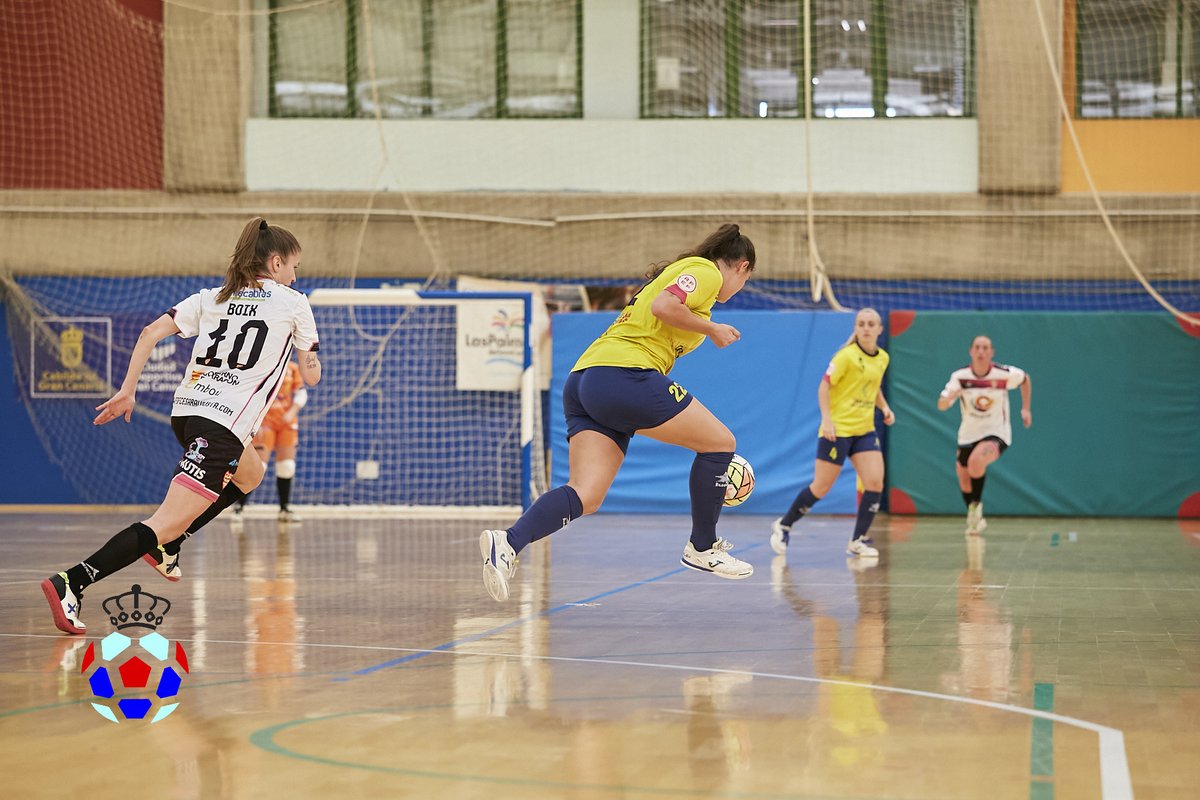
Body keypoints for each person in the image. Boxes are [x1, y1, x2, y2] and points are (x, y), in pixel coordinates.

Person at [40, 217, 321, 634]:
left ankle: (171, 543)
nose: (296, 274)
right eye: (294, 265)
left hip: (187, 412)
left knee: (252, 472)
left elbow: (151, 332)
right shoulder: (293, 302)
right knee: (163, 521)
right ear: (276, 263)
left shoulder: (211, 297)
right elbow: (311, 375)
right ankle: (73, 581)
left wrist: (128, 390)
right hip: (222, 425)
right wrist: (310, 359)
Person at [479, 223, 757, 602]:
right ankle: (703, 547)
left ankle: (507, 542)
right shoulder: (705, 271)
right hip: (624, 374)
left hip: (585, 380)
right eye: (746, 279)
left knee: (586, 495)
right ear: (741, 267)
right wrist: (712, 329)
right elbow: (665, 307)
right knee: (719, 443)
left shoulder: (679, 276)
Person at [770, 308, 895, 560]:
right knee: (821, 486)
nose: (867, 328)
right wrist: (827, 420)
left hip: (864, 430)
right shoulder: (846, 357)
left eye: (871, 324)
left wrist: (884, 407)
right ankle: (784, 525)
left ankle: (856, 540)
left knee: (875, 482)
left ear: (880, 329)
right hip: (837, 431)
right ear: (856, 328)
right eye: (862, 324)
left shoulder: (882, 357)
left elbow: (873, 387)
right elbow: (824, 386)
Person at [936, 335, 1031, 535]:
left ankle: (976, 507)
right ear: (971, 351)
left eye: (985, 348)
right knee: (964, 478)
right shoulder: (960, 377)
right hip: (968, 435)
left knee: (976, 462)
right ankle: (974, 515)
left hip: (997, 432)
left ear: (991, 352)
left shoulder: (1003, 374)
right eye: (977, 347)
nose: (981, 351)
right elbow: (941, 405)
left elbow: (1025, 379)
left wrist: (1026, 409)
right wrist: (948, 398)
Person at [233, 358, 307, 521]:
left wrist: (292, 412)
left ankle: (284, 510)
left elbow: (301, 392)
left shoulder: (292, 368)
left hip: (286, 423)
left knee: (287, 466)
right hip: (265, 422)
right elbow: (250, 394)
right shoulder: (261, 364)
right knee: (259, 467)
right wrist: (253, 420)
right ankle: (239, 507)